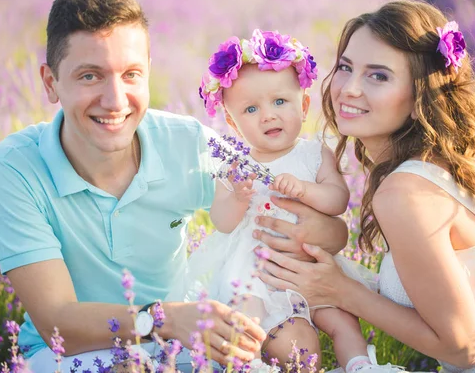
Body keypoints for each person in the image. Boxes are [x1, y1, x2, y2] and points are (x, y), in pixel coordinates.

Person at [0, 0, 347, 372]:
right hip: (70, 356)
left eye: (131, 74)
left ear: (149, 72)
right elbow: (58, 322)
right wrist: (165, 319)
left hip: (179, 347)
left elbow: (294, 209)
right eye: (90, 76)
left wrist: (325, 239)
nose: (116, 100)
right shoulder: (14, 167)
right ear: (51, 82)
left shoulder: (187, 143)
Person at [255, 0, 475, 372]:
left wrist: (341, 291)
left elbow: (462, 348)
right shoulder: (439, 165)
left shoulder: (406, 191)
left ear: (420, 93)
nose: (349, 89)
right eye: (345, 67)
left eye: (378, 76)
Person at [168, 29, 391, 372]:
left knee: (341, 319)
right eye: (251, 109)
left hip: (311, 267)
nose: (268, 115)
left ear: (303, 106)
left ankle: (360, 365)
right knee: (249, 322)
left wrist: (305, 190)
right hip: (256, 269)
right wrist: (237, 196)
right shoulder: (236, 165)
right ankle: (251, 363)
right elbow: (223, 222)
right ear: (232, 122)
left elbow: (337, 200)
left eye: (280, 102)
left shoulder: (315, 153)